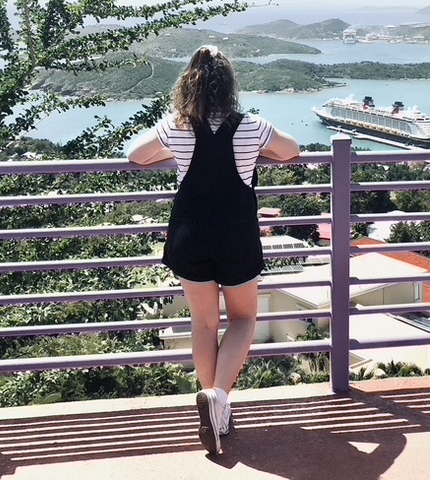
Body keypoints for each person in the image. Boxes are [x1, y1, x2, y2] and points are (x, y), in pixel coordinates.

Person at [127, 45, 300, 455]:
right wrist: (261, 152)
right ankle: (219, 398)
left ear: (190, 83)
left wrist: (171, 150)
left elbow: (135, 154)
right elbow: (291, 149)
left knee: (204, 323)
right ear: (230, 86)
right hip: (236, 235)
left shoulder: (177, 127)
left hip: (189, 234)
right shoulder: (252, 126)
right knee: (243, 318)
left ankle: (212, 405)